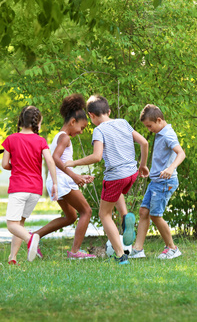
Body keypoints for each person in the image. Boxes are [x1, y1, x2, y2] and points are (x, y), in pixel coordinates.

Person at [65, 95, 149, 265]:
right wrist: (142, 166)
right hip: (131, 173)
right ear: (109, 111)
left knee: (104, 214)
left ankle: (120, 255)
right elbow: (144, 143)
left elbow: (97, 157)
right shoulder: (123, 123)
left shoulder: (99, 130)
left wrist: (74, 162)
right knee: (115, 193)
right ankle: (126, 216)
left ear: (91, 115)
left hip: (115, 176)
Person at [29, 94, 96, 259]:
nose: (80, 132)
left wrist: (79, 176)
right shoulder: (65, 137)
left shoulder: (60, 136)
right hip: (62, 181)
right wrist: (74, 176)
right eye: (81, 127)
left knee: (71, 216)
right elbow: (56, 159)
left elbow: (62, 161)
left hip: (57, 180)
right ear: (73, 122)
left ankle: (34, 236)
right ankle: (74, 252)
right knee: (86, 211)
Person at [0, 106, 58, 264]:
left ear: (21, 120)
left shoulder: (11, 139)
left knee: (12, 224)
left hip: (19, 188)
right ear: (37, 122)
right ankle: (13, 258)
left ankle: (31, 238)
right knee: (20, 223)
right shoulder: (41, 141)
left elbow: (5, 164)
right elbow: (50, 161)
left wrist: (17, 166)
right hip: (35, 190)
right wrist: (55, 184)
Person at [130, 104, 186, 260]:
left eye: (150, 125)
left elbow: (181, 154)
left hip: (164, 182)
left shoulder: (168, 134)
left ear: (159, 120)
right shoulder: (160, 132)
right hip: (156, 181)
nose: (149, 129)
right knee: (143, 212)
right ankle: (138, 249)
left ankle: (173, 248)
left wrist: (171, 168)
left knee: (155, 215)